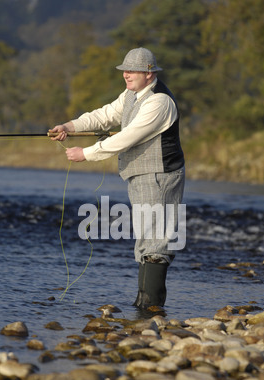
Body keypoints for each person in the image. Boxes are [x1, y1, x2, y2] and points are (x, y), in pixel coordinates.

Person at [49, 47, 185, 310]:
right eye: (124, 70)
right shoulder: (132, 95)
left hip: (161, 175)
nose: (126, 75)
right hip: (141, 174)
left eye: (132, 70)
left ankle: (150, 309)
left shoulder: (159, 101)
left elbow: (127, 137)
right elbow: (105, 115)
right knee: (146, 238)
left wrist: (86, 153)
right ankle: (144, 305)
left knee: (156, 241)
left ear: (149, 73)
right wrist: (69, 126)